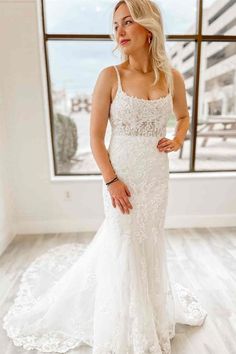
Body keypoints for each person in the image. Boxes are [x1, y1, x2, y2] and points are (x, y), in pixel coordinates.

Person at [2, 1, 207, 353]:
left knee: (149, 241)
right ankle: (127, 323)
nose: (120, 31)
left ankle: (151, 316)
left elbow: (184, 116)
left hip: (156, 176)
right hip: (121, 175)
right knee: (124, 241)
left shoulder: (171, 77)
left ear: (148, 27)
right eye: (116, 25)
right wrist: (112, 180)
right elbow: (96, 138)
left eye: (128, 22)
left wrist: (176, 139)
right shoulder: (110, 76)